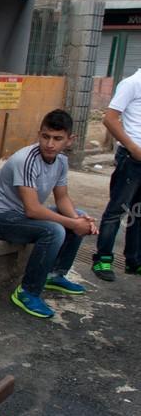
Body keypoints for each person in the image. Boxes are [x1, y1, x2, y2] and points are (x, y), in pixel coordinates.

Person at [0, 110, 96, 318]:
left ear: (70, 140)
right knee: (55, 231)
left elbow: (62, 198)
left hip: (23, 217)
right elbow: (33, 209)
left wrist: (79, 219)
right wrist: (73, 224)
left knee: (77, 214)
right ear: (39, 134)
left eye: (57, 138)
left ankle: (55, 274)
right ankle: (27, 292)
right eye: (45, 137)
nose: (50, 144)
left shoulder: (61, 161)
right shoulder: (26, 160)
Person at [92, 67, 141, 281]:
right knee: (116, 210)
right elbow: (110, 118)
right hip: (131, 159)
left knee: (138, 212)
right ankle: (102, 259)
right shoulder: (132, 83)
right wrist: (133, 147)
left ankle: (134, 261)